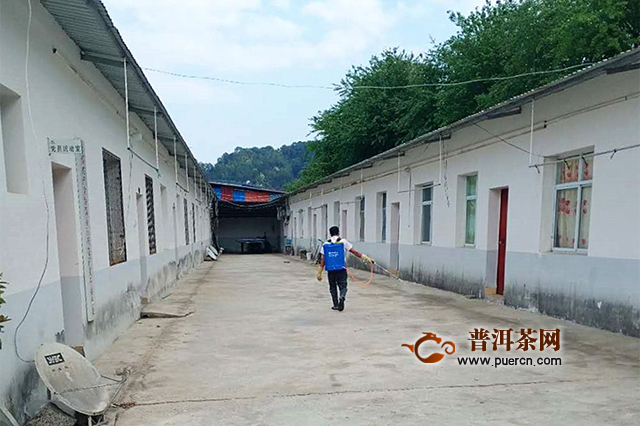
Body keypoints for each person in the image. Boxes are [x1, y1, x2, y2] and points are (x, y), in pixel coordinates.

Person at [317, 226, 374, 311]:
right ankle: (342, 296)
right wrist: (365, 258)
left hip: (331, 270)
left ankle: (336, 305)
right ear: (338, 232)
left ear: (330, 233)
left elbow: (323, 259)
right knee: (343, 286)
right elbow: (354, 252)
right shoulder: (343, 242)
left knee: (333, 287)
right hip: (341, 268)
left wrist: (320, 272)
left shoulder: (325, 244)